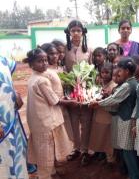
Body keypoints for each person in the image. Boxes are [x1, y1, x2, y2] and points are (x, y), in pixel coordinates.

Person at [24, 48, 76, 179]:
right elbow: (54, 101)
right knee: (46, 153)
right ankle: (44, 176)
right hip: (46, 122)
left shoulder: (33, 78)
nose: (44, 63)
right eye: (40, 61)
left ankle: (51, 172)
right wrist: (71, 102)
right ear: (31, 64)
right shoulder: (42, 81)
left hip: (38, 122)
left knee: (44, 150)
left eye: (45, 60)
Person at [89, 57, 139, 179]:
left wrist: (98, 103)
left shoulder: (127, 85)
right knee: (127, 149)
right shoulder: (133, 82)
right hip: (127, 118)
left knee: (128, 150)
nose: (117, 73)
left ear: (127, 71)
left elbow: (114, 99)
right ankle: (130, 172)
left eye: (120, 71)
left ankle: (134, 175)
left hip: (126, 120)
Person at [64, 20, 93, 165]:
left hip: (86, 90)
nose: (76, 33)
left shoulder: (89, 49)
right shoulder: (64, 49)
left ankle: (86, 150)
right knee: (73, 120)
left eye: (78, 30)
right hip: (70, 90)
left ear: (83, 33)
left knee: (86, 121)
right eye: (73, 30)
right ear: (69, 33)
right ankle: (76, 148)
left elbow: (93, 70)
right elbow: (63, 69)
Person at [0, 56, 29, 178]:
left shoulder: (3, 59)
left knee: (15, 158)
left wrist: (14, 93)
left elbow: (4, 82)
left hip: (11, 118)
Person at [41, 43, 74, 142]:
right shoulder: (44, 71)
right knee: (55, 128)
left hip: (63, 102)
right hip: (52, 104)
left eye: (56, 53)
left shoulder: (61, 68)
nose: (55, 56)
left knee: (65, 127)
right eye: (51, 54)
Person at [88, 62, 117, 166]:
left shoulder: (114, 85)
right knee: (100, 136)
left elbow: (115, 101)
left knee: (108, 138)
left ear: (112, 73)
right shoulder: (99, 83)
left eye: (107, 72)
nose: (104, 75)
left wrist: (106, 96)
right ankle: (102, 155)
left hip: (108, 116)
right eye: (102, 72)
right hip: (99, 114)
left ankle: (110, 159)